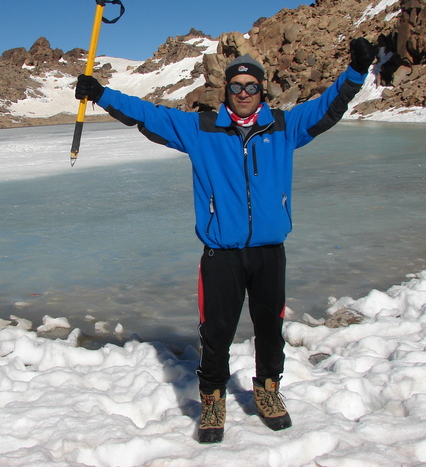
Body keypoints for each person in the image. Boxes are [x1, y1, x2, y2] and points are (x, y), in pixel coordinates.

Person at [75, 37, 378, 444]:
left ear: (262, 90)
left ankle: (268, 391)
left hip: (270, 251)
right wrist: (102, 94)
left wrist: (357, 71)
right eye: (236, 86)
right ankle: (213, 400)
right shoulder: (201, 130)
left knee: (270, 328)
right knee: (215, 333)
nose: (244, 93)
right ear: (227, 91)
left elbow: (329, 106)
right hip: (222, 254)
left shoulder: (284, 127)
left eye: (252, 86)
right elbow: (149, 115)